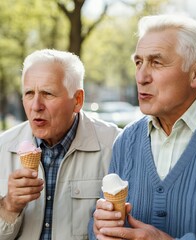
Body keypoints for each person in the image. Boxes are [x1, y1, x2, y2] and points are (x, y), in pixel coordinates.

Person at [90, 14, 196, 239]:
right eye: (138, 62)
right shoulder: (127, 140)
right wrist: (100, 228)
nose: (141, 77)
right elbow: (101, 229)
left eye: (156, 62)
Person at [0, 49, 121, 240]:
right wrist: (9, 206)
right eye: (29, 93)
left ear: (78, 100)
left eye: (47, 93)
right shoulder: (2, 148)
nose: (36, 105)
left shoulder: (116, 145)